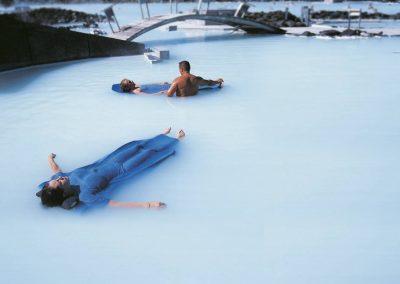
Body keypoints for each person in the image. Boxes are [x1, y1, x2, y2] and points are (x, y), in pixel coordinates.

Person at [36, 128, 185, 210]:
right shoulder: (85, 196)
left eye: (57, 180)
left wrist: (50, 158)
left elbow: (55, 170)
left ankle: (161, 135)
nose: (60, 179)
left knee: (137, 145)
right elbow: (114, 204)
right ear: (63, 192)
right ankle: (177, 139)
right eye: (60, 183)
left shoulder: (63, 178)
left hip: (112, 160)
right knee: (149, 153)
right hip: (122, 169)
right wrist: (147, 205)